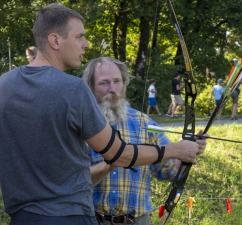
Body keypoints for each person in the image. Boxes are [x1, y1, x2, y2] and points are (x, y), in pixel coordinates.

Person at [0, 3, 206, 225]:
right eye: (79, 37)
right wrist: (176, 149)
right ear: (55, 40)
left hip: (22, 218)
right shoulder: (73, 89)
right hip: (70, 218)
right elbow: (120, 155)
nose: (86, 45)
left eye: (117, 81)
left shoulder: (4, 85)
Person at [83, 56, 188, 225]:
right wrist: (113, 162)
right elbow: (73, 181)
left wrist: (187, 152)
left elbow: (167, 170)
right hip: (92, 220)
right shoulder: (81, 123)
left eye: (117, 81)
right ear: (90, 87)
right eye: (104, 83)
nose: (113, 89)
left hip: (137, 221)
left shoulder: (144, 122)